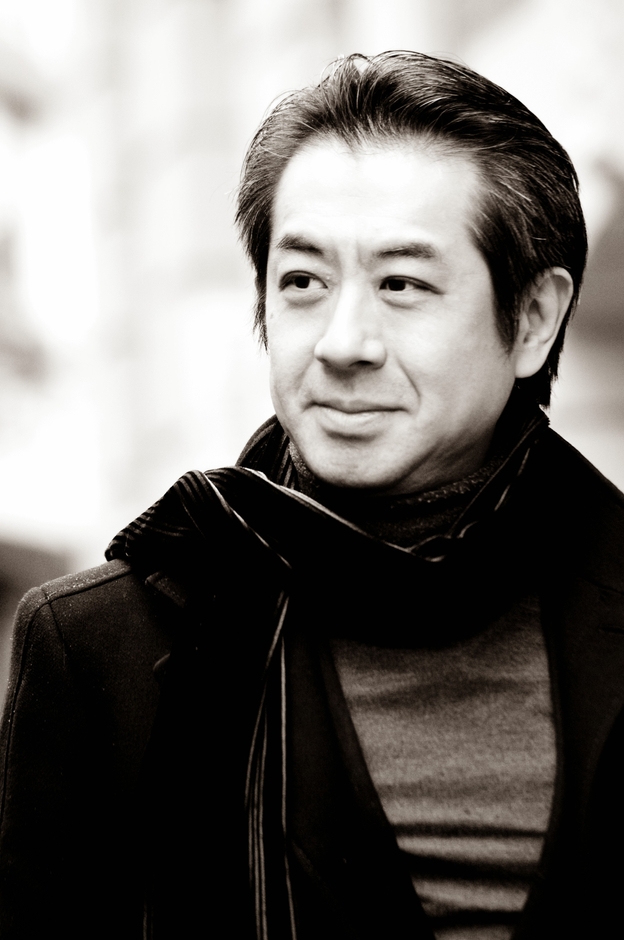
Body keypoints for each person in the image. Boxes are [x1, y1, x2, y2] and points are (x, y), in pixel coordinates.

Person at [0, 50, 622, 940]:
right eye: (303, 282)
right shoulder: (102, 649)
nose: (342, 342)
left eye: (402, 284)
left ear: (532, 318)